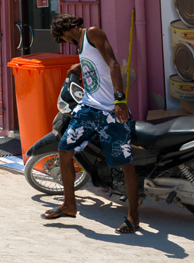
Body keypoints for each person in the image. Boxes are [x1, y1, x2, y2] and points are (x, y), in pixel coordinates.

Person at [42, 13, 139, 234]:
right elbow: (95, 63)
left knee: (125, 163)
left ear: (65, 31)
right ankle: (69, 205)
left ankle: (133, 217)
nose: (65, 43)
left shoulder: (92, 33)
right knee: (64, 149)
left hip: (110, 111)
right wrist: (79, 66)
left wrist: (119, 100)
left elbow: (113, 64)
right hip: (88, 108)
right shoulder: (81, 45)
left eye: (63, 39)